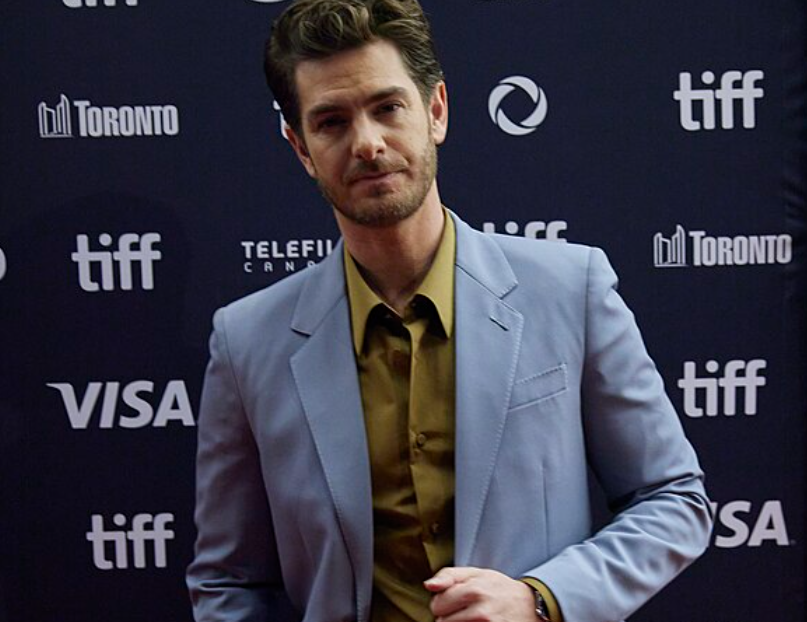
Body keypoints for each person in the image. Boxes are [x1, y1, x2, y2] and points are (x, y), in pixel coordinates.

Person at [186, 1, 712, 621]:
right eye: (331, 122)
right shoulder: (248, 342)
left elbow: (674, 500)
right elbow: (229, 580)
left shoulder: (571, 290)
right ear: (300, 147)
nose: (368, 144)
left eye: (388, 108)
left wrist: (542, 600)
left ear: (435, 111)